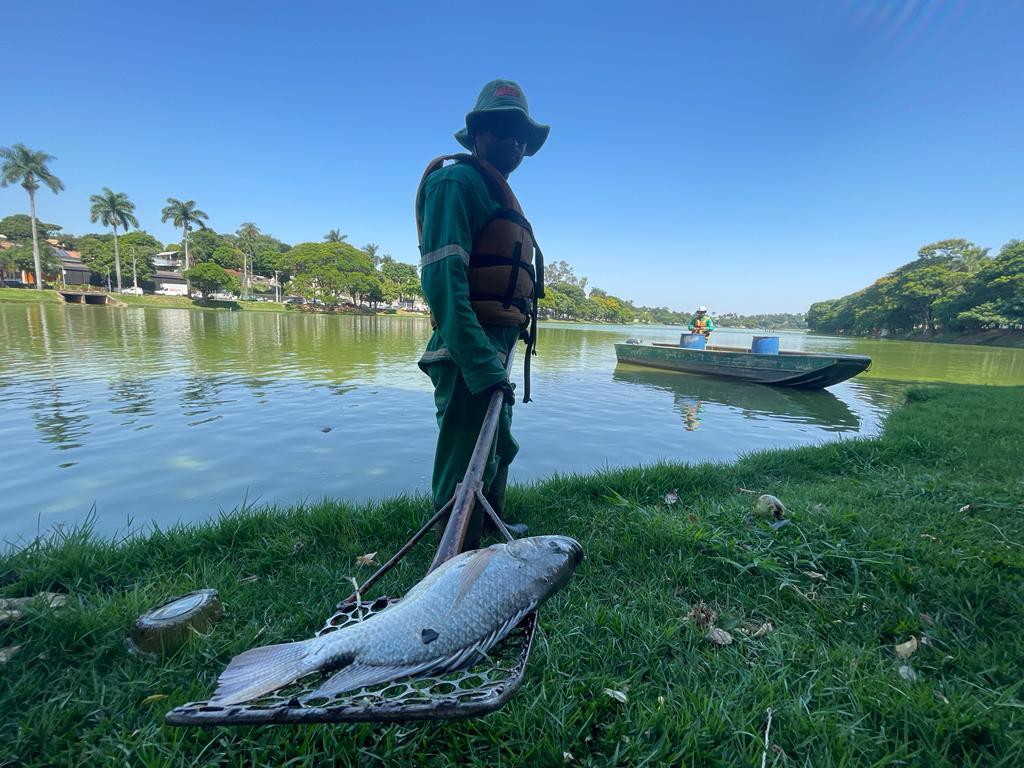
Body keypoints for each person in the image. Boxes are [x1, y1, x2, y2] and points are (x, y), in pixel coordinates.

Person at [415, 79, 549, 550]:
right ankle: (457, 555)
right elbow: (442, 281)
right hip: (465, 346)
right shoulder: (456, 182)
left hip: (500, 343)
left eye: (522, 135)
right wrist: (478, 362)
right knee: (465, 458)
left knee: (499, 446)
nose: (514, 141)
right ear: (478, 132)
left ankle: (492, 529)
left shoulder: (498, 191)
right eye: (503, 128)